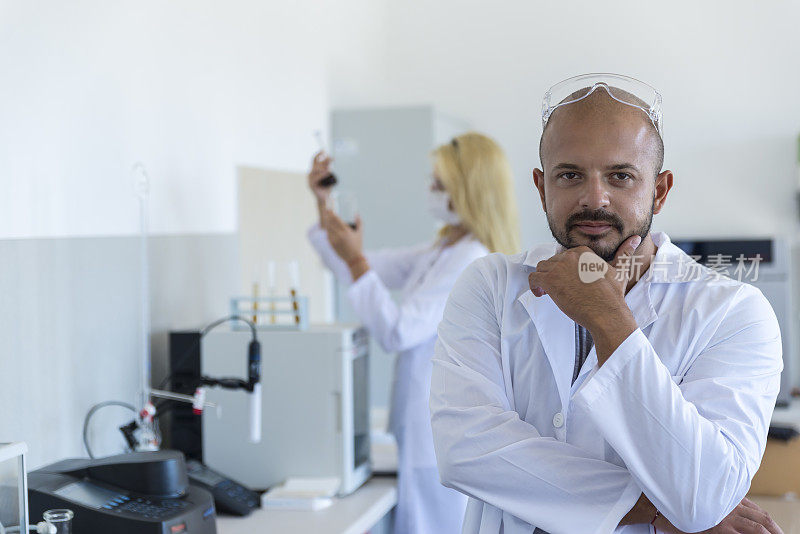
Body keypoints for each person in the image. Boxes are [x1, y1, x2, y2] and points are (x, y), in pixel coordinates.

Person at [430, 74, 784, 534]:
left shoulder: (733, 312)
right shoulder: (490, 285)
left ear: (659, 189)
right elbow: (464, 452)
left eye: (620, 176)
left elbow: (703, 495)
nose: (594, 198)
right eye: (570, 175)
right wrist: (655, 507)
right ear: (542, 187)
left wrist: (608, 317)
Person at [306, 132, 520, 534]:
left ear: (468, 190)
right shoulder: (440, 251)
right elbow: (358, 266)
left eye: (440, 183)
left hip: (437, 433)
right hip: (419, 427)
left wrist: (355, 261)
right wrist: (324, 204)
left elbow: (396, 332)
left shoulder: (470, 259)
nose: (431, 190)